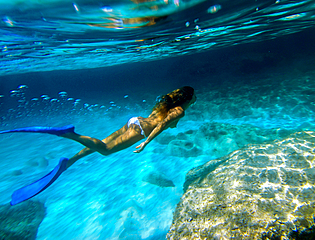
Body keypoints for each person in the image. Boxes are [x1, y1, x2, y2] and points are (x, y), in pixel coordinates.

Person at [0, 86, 196, 205]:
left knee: (100, 143)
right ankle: (70, 134)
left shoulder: (166, 104)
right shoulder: (179, 111)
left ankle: (71, 161)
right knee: (106, 151)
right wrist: (146, 142)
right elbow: (161, 125)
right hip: (142, 131)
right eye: (194, 98)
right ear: (186, 99)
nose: (195, 100)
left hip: (134, 121)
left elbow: (159, 119)